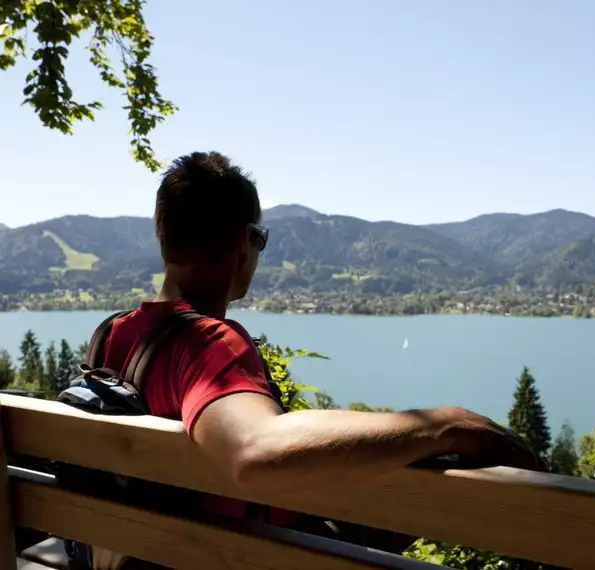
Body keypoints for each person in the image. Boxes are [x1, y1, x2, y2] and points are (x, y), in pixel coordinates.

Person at [96, 151, 542, 548]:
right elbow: (255, 451)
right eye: (260, 239)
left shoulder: (114, 334)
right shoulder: (208, 344)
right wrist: (448, 425)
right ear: (243, 242)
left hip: (157, 550)